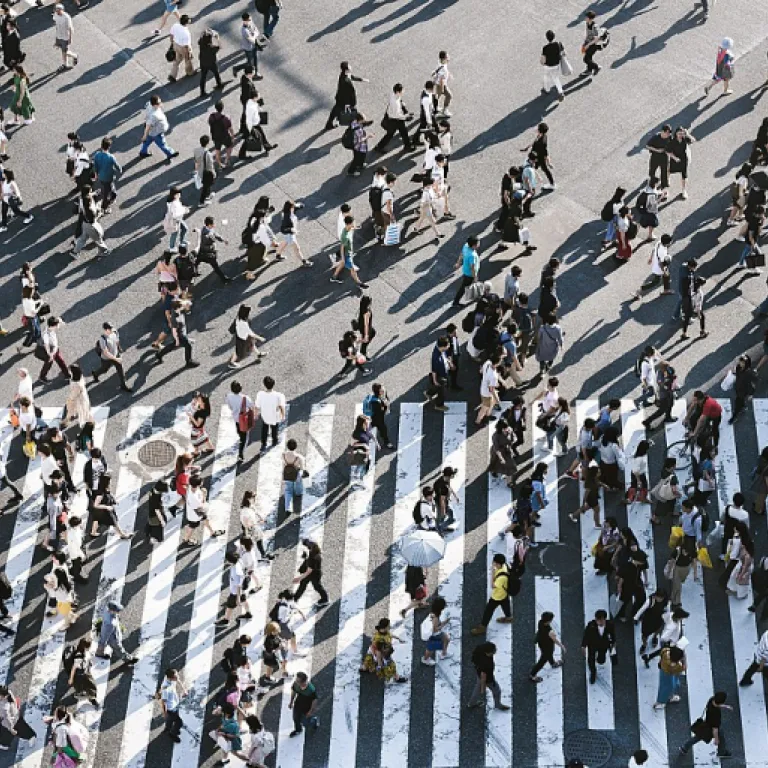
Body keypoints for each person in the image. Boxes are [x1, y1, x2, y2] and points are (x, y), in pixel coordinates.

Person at [470, 554, 514, 635]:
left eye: (494, 562)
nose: (493, 563)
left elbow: (493, 585)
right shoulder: (505, 566)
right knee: (505, 604)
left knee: (488, 610)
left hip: (497, 596)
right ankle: (509, 617)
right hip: (504, 593)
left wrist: (493, 573)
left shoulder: (501, 578)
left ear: (498, 564)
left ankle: (483, 627)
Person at [678, 691, 732, 757]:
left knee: (699, 736)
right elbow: (715, 729)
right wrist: (716, 739)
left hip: (706, 723)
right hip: (710, 727)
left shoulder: (711, 700)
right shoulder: (716, 715)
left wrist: (725, 706)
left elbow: (717, 704)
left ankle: (684, 747)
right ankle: (722, 752)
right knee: (700, 737)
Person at [325, 61, 368, 131]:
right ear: (346, 69)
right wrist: (351, 103)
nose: (351, 66)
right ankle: (353, 128)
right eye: (349, 66)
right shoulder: (346, 81)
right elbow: (351, 93)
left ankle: (329, 123)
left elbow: (351, 77)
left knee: (335, 110)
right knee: (350, 114)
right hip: (344, 101)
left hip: (340, 98)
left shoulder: (344, 74)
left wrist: (361, 79)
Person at [467, 642, 510, 711]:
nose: (495, 651)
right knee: (497, 691)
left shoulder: (480, 649)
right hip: (488, 679)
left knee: (477, 688)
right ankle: (498, 705)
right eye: (493, 651)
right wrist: (483, 689)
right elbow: (484, 677)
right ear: (487, 652)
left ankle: (471, 703)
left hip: (479, 673)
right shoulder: (486, 664)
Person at [91, 322, 132, 392]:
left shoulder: (114, 332)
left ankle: (123, 384)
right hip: (107, 359)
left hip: (116, 354)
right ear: (105, 330)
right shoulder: (103, 339)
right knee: (104, 370)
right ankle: (95, 373)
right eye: (110, 329)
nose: (112, 330)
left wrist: (119, 348)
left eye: (111, 328)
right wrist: (116, 359)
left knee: (120, 369)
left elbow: (117, 340)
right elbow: (106, 353)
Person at [331, 214, 369, 289]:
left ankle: (334, 277)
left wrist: (355, 228)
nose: (353, 224)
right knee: (352, 269)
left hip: (348, 253)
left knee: (342, 264)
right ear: (349, 224)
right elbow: (342, 247)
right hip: (346, 255)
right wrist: (343, 258)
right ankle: (359, 283)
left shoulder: (347, 229)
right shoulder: (345, 236)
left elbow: (351, 229)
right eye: (352, 223)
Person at [374, 83, 414, 152]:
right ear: (398, 92)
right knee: (395, 133)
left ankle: (379, 147)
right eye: (402, 91)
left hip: (393, 118)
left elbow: (400, 101)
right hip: (395, 120)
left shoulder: (393, 94)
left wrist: (403, 106)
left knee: (399, 132)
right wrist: (406, 117)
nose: (403, 91)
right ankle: (407, 147)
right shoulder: (395, 103)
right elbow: (397, 115)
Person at [139, 95, 178, 161]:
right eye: (158, 103)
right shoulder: (154, 115)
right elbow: (148, 125)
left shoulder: (149, 104)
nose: (160, 103)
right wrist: (144, 136)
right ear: (154, 105)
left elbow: (146, 108)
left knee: (147, 141)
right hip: (156, 132)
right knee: (162, 143)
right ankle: (170, 153)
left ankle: (143, 152)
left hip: (151, 131)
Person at [529, 610, 565, 683]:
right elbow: (555, 640)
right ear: (548, 621)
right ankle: (532, 675)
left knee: (548, 655)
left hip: (541, 643)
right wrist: (562, 646)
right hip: (548, 645)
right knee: (542, 661)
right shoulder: (549, 631)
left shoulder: (540, 622)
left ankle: (553, 663)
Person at [581, 609, 616, 684]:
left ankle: (599, 659)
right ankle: (593, 673)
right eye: (598, 620)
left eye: (602, 620)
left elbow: (612, 635)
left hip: (603, 645)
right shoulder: (591, 625)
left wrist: (613, 643)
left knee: (601, 660)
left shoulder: (610, 625)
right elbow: (586, 636)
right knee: (591, 659)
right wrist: (583, 646)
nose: (600, 622)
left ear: (605, 619)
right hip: (592, 645)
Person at [292, 540, 329, 607]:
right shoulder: (316, 552)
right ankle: (295, 599)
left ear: (311, 548)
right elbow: (306, 543)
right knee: (304, 585)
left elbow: (308, 571)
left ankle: (325, 599)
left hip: (314, 574)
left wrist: (298, 578)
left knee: (317, 586)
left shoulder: (313, 558)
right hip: (315, 572)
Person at [275, 200, 311, 267]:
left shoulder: (290, 210)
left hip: (290, 233)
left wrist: (299, 205)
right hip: (289, 234)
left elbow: (301, 205)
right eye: (293, 207)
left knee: (285, 242)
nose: (294, 208)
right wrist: (292, 230)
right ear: (290, 208)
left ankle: (278, 255)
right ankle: (304, 261)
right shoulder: (286, 217)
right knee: (297, 248)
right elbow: (283, 229)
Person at [255, 376, 285, 453]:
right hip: (274, 416)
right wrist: (283, 415)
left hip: (265, 415)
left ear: (264, 385)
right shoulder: (278, 395)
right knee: (274, 429)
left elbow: (257, 406)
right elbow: (281, 406)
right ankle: (274, 441)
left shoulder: (260, 394)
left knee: (264, 429)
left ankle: (263, 444)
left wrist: (256, 414)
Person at [0, 685, 36, 750]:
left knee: (7, 733)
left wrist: (11, 729)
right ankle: (31, 736)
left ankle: (5, 745)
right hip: (15, 714)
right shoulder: (8, 693)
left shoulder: (4, 707)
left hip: (10, 721)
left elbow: (7, 719)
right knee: (22, 727)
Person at [92, 137, 121, 213]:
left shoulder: (97, 155)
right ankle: (105, 207)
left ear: (101, 146)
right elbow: (118, 167)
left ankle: (113, 195)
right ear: (109, 147)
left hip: (101, 176)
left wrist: (96, 175)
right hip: (109, 177)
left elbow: (95, 166)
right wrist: (120, 170)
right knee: (106, 192)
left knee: (109, 187)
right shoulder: (111, 157)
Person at [421, 595, 452, 666]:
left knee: (447, 639)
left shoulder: (435, 613)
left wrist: (443, 622)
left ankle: (444, 654)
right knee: (430, 649)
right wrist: (444, 623)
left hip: (437, 634)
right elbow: (435, 630)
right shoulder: (435, 618)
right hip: (434, 636)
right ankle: (425, 659)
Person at [159, 668, 186, 743]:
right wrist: (165, 713)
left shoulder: (171, 679)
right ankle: (172, 734)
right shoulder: (166, 689)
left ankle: (168, 729)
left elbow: (178, 681)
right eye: (175, 677)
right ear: (170, 678)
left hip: (174, 704)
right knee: (179, 723)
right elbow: (163, 702)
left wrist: (184, 690)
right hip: (171, 708)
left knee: (170, 720)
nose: (177, 677)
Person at [288, 672, 319, 737]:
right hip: (298, 703)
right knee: (296, 718)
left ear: (303, 682)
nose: (295, 681)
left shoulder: (311, 689)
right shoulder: (296, 685)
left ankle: (314, 721)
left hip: (307, 706)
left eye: (297, 681)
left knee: (307, 721)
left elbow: (314, 701)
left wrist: (310, 711)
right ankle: (298, 730)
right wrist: (291, 702)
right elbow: (294, 692)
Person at [452, 235, 480, 307]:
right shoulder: (472, 255)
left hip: (466, 271)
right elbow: (472, 267)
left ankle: (475, 295)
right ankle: (456, 302)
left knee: (466, 286)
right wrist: (475, 277)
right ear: (474, 245)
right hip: (469, 274)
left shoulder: (466, 246)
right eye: (478, 243)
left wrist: (458, 263)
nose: (479, 244)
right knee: (464, 288)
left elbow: (461, 254)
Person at [425, 336, 450, 412]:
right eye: (447, 346)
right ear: (442, 347)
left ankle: (428, 393)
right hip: (440, 376)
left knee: (436, 387)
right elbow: (434, 370)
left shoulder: (440, 350)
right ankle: (439, 405)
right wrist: (435, 380)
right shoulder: (436, 358)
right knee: (441, 391)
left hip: (443, 373)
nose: (448, 347)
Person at [232, 14, 261, 79]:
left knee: (255, 59)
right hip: (248, 48)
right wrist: (254, 37)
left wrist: (254, 36)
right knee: (250, 63)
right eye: (249, 20)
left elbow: (257, 31)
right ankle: (236, 68)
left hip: (254, 45)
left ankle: (256, 73)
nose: (250, 20)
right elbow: (250, 39)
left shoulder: (251, 23)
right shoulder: (244, 30)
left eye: (250, 19)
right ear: (245, 21)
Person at [168, 14, 195, 82]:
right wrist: (188, 53)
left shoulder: (175, 25)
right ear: (186, 22)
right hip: (183, 47)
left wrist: (172, 43)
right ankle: (190, 72)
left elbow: (171, 35)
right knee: (188, 60)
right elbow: (187, 46)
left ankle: (172, 75)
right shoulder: (186, 33)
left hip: (176, 45)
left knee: (177, 60)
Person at [541, 30, 565, 103]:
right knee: (556, 78)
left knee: (546, 77)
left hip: (548, 66)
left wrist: (542, 63)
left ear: (547, 38)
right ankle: (561, 92)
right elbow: (563, 53)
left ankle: (547, 89)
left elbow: (543, 59)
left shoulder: (545, 48)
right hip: (556, 64)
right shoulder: (558, 44)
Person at [198, 28, 223, 98]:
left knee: (203, 77)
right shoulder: (211, 47)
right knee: (216, 73)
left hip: (203, 62)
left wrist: (205, 32)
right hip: (212, 63)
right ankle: (219, 84)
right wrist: (218, 38)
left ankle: (202, 92)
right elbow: (220, 46)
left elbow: (201, 37)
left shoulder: (201, 43)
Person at [53, 4, 78, 72]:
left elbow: (70, 28)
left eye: (59, 10)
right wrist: (56, 39)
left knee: (65, 52)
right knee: (63, 51)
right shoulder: (55, 15)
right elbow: (56, 26)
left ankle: (74, 56)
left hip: (65, 37)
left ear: (62, 10)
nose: (57, 12)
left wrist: (70, 38)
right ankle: (65, 64)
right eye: (56, 10)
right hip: (59, 36)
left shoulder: (66, 17)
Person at [347, 112, 373, 177]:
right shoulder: (358, 130)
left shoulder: (354, 122)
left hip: (355, 144)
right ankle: (351, 171)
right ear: (360, 120)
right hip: (358, 146)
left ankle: (360, 164)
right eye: (364, 119)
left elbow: (362, 124)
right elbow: (360, 140)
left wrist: (367, 123)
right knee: (356, 159)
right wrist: (368, 136)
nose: (365, 120)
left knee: (363, 155)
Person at [194, 136, 217, 206]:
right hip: (206, 173)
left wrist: (196, 170)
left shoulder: (196, 150)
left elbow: (196, 161)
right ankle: (201, 202)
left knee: (207, 184)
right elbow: (210, 166)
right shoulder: (208, 154)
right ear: (207, 143)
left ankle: (208, 195)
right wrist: (214, 173)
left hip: (200, 171)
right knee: (206, 186)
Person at [581, 10, 601, 77]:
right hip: (588, 42)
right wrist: (585, 42)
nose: (585, 18)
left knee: (586, 59)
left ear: (590, 18)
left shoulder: (594, 27)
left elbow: (596, 39)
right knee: (589, 57)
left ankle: (596, 67)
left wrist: (588, 45)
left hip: (593, 45)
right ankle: (589, 70)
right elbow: (587, 33)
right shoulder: (587, 23)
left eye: (586, 17)